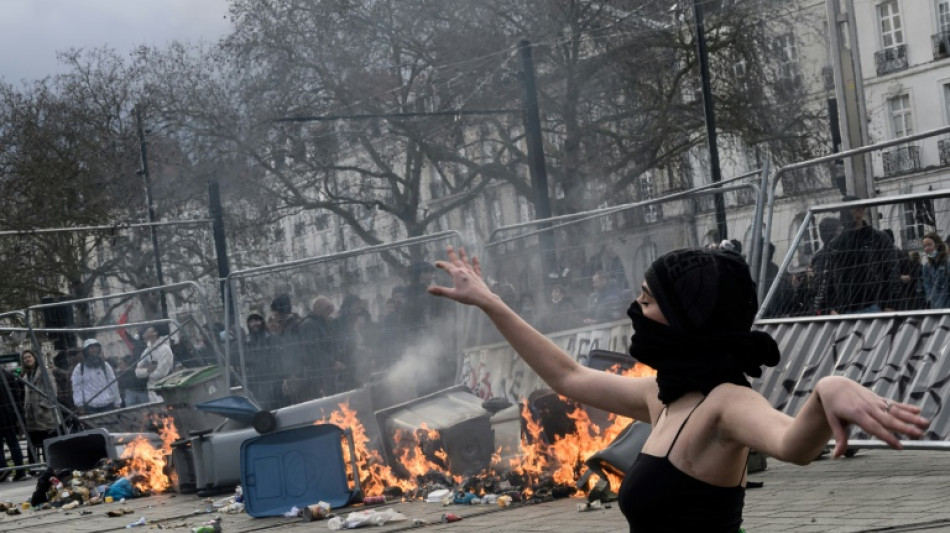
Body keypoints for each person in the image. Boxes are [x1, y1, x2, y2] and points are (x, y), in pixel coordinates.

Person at [427, 246, 929, 532]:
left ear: (688, 316)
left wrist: (827, 391)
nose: (635, 309)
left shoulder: (726, 403)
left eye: (648, 300)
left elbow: (794, 445)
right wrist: (491, 303)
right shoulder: (662, 396)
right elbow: (568, 377)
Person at [818, 197, 900, 314]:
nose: (844, 216)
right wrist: (831, 308)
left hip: (875, 305)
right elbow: (828, 278)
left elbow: (892, 272)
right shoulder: (836, 244)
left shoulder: (878, 239)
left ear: (860, 211)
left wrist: (890, 304)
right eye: (842, 212)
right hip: (844, 309)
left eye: (847, 211)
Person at [20, 349, 59, 463]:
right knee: (32, 442)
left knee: (47, 442)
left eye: (29, 356)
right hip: (31, 416)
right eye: (25, 358)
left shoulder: (43, 371)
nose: (27, 359)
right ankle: (34, 468)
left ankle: (50, 465)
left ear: (34, 358)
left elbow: (53, 390)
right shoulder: (26, 376)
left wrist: (45, 405)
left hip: (45, 415)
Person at [71, 339, 121, 414]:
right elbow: (77, 387)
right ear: (86, 351)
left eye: (95, 347)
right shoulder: (80, 368)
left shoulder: (105, 365)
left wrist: (117, 402)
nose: (93, 349)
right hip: (90, 407)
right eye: (90, 347)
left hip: (107, 405)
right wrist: (79, 404)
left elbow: (113, 383)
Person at [135, 324, 175, 403]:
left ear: (155, 332)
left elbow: (161, 373)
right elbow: (137, 372)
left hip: (164, 390)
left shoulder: (165, 349)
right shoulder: (146, 352)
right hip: (151, 392)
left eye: (147, 329)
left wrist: (146, 369)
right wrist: (148, 370)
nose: (144, 332)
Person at [0, 368, 27, 481]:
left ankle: (3, 469)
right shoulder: (8, 375)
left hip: (5, 414)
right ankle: (20, 471)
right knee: (13, 443)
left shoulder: (8, 375)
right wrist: (18, 414)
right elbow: (18, 395)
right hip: (10, 414)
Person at [920, 233, 950, 310]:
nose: (927, 249)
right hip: (935, 307)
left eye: (929, 245)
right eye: (924, 246)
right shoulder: (926, 266)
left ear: (937, 245)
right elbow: (927, 285)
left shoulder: (947, 263)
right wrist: (930, 298)